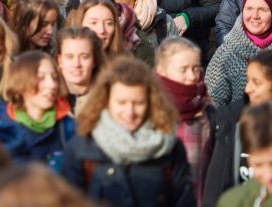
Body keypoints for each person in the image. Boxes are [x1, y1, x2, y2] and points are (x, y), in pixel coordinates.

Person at [61, 57, 195, 206]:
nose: (129, 112)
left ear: (151, 102)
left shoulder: (171, 149)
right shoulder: (81, 148)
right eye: (121, 102)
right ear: (106, 101)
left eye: (138, 103)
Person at [203, 46, 272, 205]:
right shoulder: (233, 119)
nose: (248, 89)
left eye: (257, 83)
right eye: (248, 81)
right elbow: (215, 184)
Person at [207, 0, 272, 107]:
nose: (254, 16)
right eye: (249, 8)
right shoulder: (226, 53)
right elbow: (213, 105)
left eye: (263, 10)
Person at [154, 37, 212, 202]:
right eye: (183, 69)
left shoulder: (208, 113)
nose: (192, 76)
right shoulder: (148, 112)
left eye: (195, 68)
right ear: (161, 71)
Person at [0, 51, 74, 167]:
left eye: (54, 77)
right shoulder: (3, 131)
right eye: (41, 78)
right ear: (20, 82)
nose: (51, 85)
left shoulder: (69, 128)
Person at [55, 27, 106, 113]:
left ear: (94, 60)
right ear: (59, 60)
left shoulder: (110, 100)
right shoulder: (48, 100)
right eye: (69, 57)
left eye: (84, 57)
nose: (76, 64)